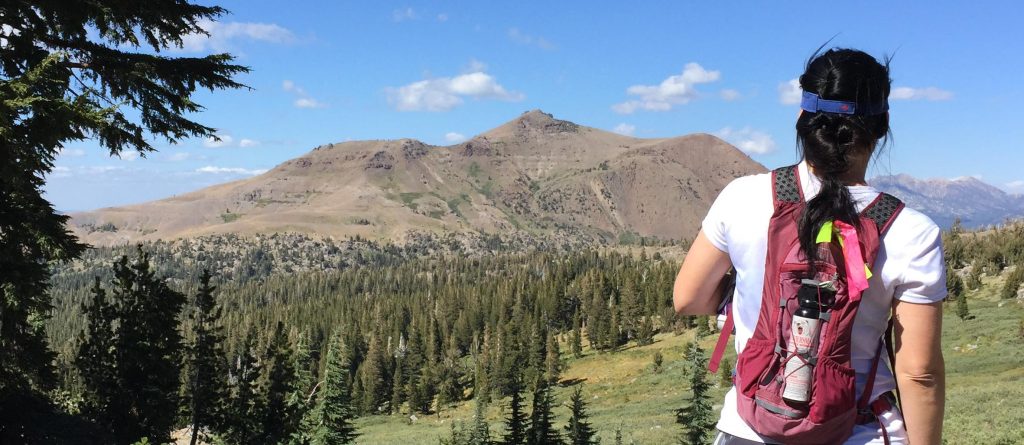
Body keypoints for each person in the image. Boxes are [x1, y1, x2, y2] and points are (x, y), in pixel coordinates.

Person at [673, 48, 946, 445]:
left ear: (802, 119)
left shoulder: (743, 197)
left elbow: (687, 298)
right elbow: (919, 373)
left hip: (750, 426)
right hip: (859, 430)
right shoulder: (911, 231)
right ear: (882, 126)